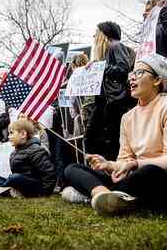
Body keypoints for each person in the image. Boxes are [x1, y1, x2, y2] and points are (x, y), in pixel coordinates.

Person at [64, 54, 167, 215]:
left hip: (155, 175)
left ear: (157, 80)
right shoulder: (127, 117)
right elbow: (124, 160)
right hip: (131, 177)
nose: (132, 79)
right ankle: (105, 196)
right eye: (131, 74)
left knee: (149, 172)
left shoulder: (164, 106)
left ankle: (94, 195)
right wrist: (109, 165)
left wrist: (135, 164)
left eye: (139, 73)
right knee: (72, 169)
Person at [84, 21, 136, 161]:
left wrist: (100, 67)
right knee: (92, 140)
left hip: (116, 104)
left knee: (109, 144)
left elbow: (123, 70)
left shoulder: (115, 46)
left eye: (97, 32)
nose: (94, 35)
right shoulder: (105, 55)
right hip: (105, 104)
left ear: (105, 35)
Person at [0, 119, 56, 197]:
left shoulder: (37, 150)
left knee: (14, 178)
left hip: (35, 186)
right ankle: (6, 189)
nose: (9, 137)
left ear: (23, 134)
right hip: (20, 183)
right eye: (9, 134)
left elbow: (49, 174)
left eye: (12, 133)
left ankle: (4, 189)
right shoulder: (14, 152)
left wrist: (43, 193)